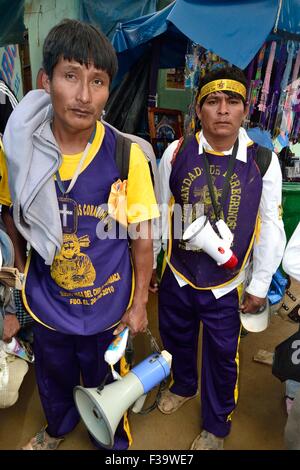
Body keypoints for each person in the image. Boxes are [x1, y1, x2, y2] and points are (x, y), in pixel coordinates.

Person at [0, 19, 159, 450]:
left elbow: (142, 236)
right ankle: (57, 430)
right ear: (45, 80)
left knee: (110, 383)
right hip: (49, 303)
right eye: (71, 76)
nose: (85, 96)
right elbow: (10, 214)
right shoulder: (19, 154)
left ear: (109, 89)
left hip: (108, 305)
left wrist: (140, 303)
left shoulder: (126, 156)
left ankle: (114, 445)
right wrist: (19, 274)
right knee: (53, 376)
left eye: (99, 81)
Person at [156, 66, 286, 450]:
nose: (223, 110)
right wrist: (159, 263)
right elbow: (164, 210)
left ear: (245, 110)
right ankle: (182, 384)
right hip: (179, 273)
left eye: (233, 101)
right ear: (199, 110)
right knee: (176, 336)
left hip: (227, 285)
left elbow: (270, 225)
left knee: (222, 356)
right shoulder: (176, 152)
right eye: (213, 101)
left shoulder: (262, 160)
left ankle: (216, 423)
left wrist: (260, 284)